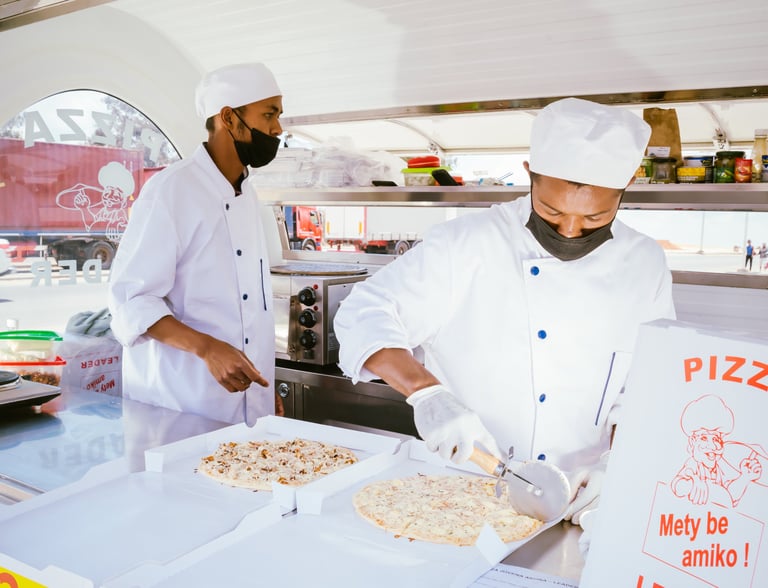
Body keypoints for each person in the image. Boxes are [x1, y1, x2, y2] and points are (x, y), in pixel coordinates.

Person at [334, 97, 676, 529]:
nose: (570, 231)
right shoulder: (465, 244)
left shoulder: (645, 263)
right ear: (529, 173)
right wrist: (426, 393)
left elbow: (649, 381)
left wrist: (620, 462)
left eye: (594, 218)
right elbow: (364, 311)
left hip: (581, 498)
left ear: (628, 183)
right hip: (462, 489)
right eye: (551, 211)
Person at [108, 63, 284, 425]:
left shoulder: (248, 195)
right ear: (229, 117)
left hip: (244, 404)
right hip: (181, 404)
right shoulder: (170, 191)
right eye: (269, 115)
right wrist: (207, 348)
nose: (278, 129)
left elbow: (249, 310)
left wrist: (262, 393)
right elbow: (132, 301)